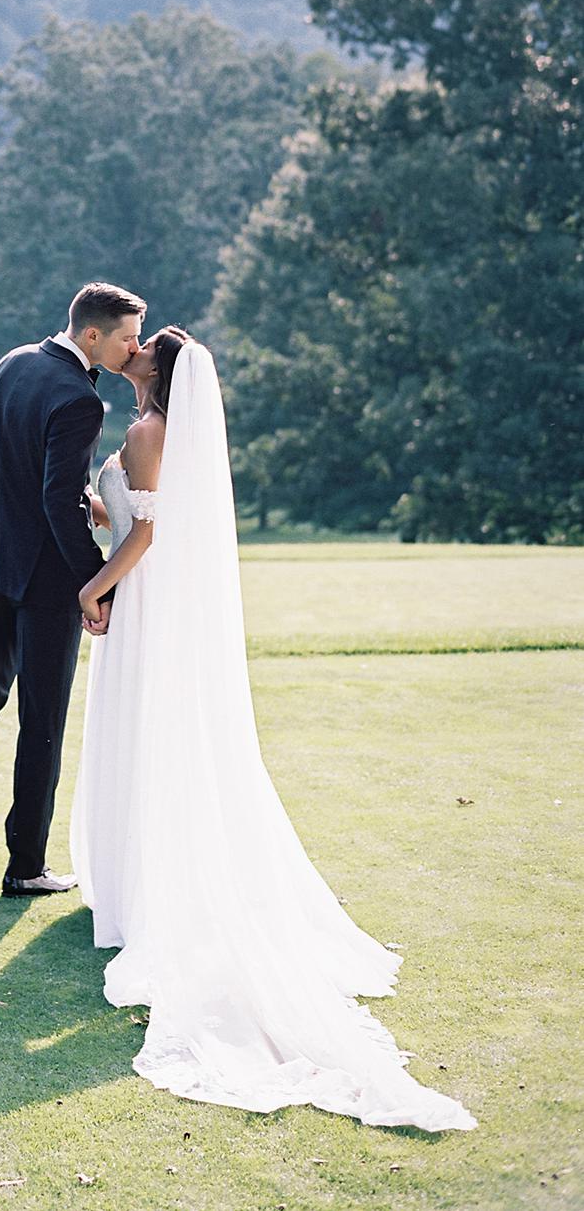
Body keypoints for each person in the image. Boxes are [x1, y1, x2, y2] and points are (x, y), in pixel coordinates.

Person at [70, 329, 476, 1131]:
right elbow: (131, 515)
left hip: (143, 603)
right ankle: (130, 878)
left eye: (145, 346)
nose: (136, 350)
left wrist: (92, 589)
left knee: (148, 744)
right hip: (145, 598)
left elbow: (145, 538)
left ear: (162, 372)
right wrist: (91, 503)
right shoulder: (151, 434)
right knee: (142, 743)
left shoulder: (152, 433)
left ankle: (148, 887)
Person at [0, 282, 144, 895]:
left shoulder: (11, 362)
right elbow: (55, 497)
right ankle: (25, 867)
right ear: (93, 334)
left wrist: (68, 500)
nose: (135, 347)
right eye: (127, 337)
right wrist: (91, 581)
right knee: (40, 718)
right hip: (45, 580)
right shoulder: (80, 400)